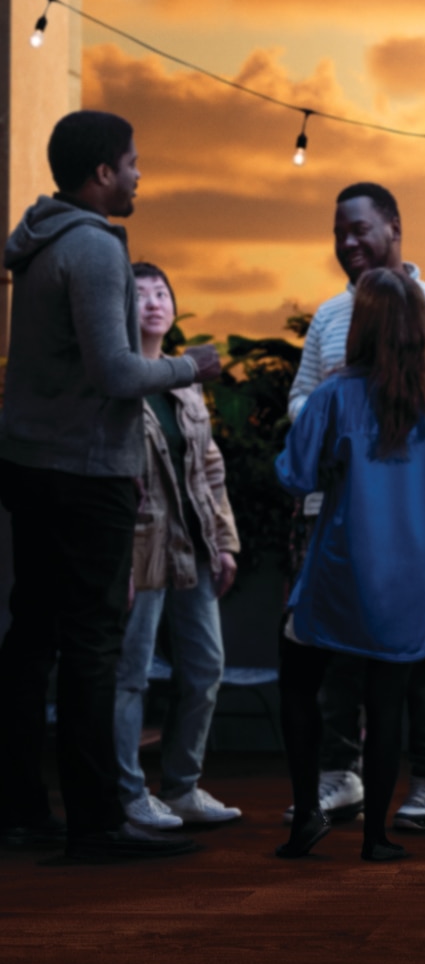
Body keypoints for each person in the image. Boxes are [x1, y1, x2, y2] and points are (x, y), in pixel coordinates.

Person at [0, 110, 219, 862]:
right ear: (101, 174)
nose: (137, 175)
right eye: (131, 163)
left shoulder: (37, 243)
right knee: (94, 646)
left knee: (31, 640)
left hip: (30, 464)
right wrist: (195, 366)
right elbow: (118, 374)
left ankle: (24, 808)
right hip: (87, 471)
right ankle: (98, 820)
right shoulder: (91, 249)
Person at [286, 182, 425, 834]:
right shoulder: (332, 316)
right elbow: (302, 399)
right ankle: (340, 776)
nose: (349, 243)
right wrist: (334, 422)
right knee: (336, 648)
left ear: (394, 226)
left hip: (424, 519)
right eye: (339, 234)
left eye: (360, 229)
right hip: (332, 511)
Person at [114, 263, 244, 831]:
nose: (152, 302)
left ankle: (183, 785)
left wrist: (225, 542)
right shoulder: (118, 377)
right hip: (141, 551)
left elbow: (209, 469)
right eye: (138, 293)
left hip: (193, 545)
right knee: (131, 673)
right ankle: (128, 793)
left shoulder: (186, 379)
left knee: (204, 665)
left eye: (160, 291)